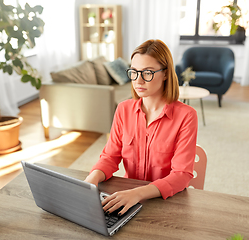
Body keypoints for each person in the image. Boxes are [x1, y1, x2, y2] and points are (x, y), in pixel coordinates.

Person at [84, 39, 198, 216]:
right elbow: (110, 156)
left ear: (166, 74)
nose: (139, 81)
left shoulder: (186, 116)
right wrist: (92, 179)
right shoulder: (123, 109)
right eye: (134, 72)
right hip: (126, 199)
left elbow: (182, 175)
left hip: (164, 202)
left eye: (148, 73)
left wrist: (137, 194)